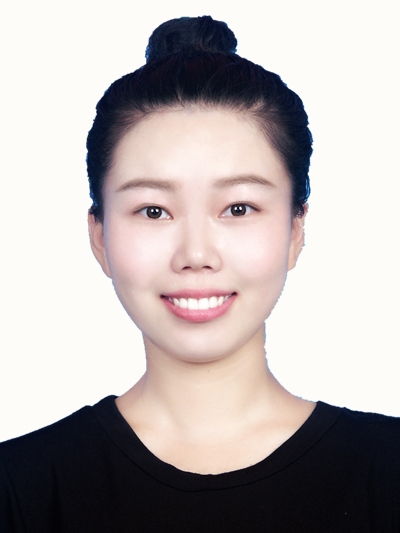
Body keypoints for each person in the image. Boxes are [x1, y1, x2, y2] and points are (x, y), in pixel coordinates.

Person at [1, 15, 399, 533]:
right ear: (99, 236)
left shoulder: (389, 471)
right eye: (153, 211)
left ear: (295, 230)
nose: (195, 254)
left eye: (238, 208)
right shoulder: (18, 488)